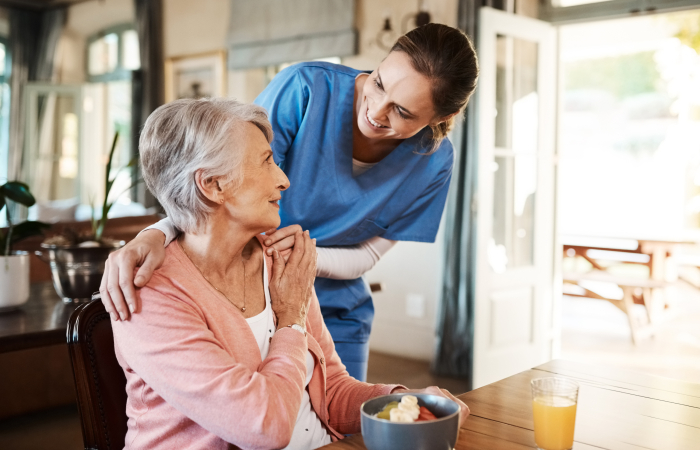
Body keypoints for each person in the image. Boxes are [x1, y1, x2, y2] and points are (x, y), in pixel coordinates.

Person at [101, 23, 479, 382]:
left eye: (402, 112)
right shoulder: (305, 89)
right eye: (378, 83)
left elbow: (368, 256)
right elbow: (218, 180)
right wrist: (157, 232)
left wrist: (303, 261)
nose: (376, 111)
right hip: (246, 294)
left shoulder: (434, 163)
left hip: (335, 308)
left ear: (443, 117)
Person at [110, 98, 469, 449]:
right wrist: (291, 319)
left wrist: (404, 403)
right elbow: (266, 428)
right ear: (213, 185)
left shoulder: (278, 262)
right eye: (266, 162)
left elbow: (331, 391)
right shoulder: (149, 293)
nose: (283, 179)